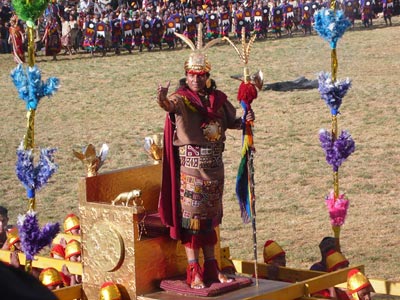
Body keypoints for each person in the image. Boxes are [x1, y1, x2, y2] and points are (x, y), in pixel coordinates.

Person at [157, 30, 255, 289]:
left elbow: (232, 122)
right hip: (192, 170)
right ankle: (195, 271)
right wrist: (161, 97)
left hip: (215, 169)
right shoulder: (180, 99)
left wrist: (244, 119)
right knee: (193, 222)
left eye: (200, 76)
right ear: (186, 75)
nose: (196, 80)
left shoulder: (218, 100)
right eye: (191, 75)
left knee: (211, 220)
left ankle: (213, 267)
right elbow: (167, 106)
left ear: (207, 76)